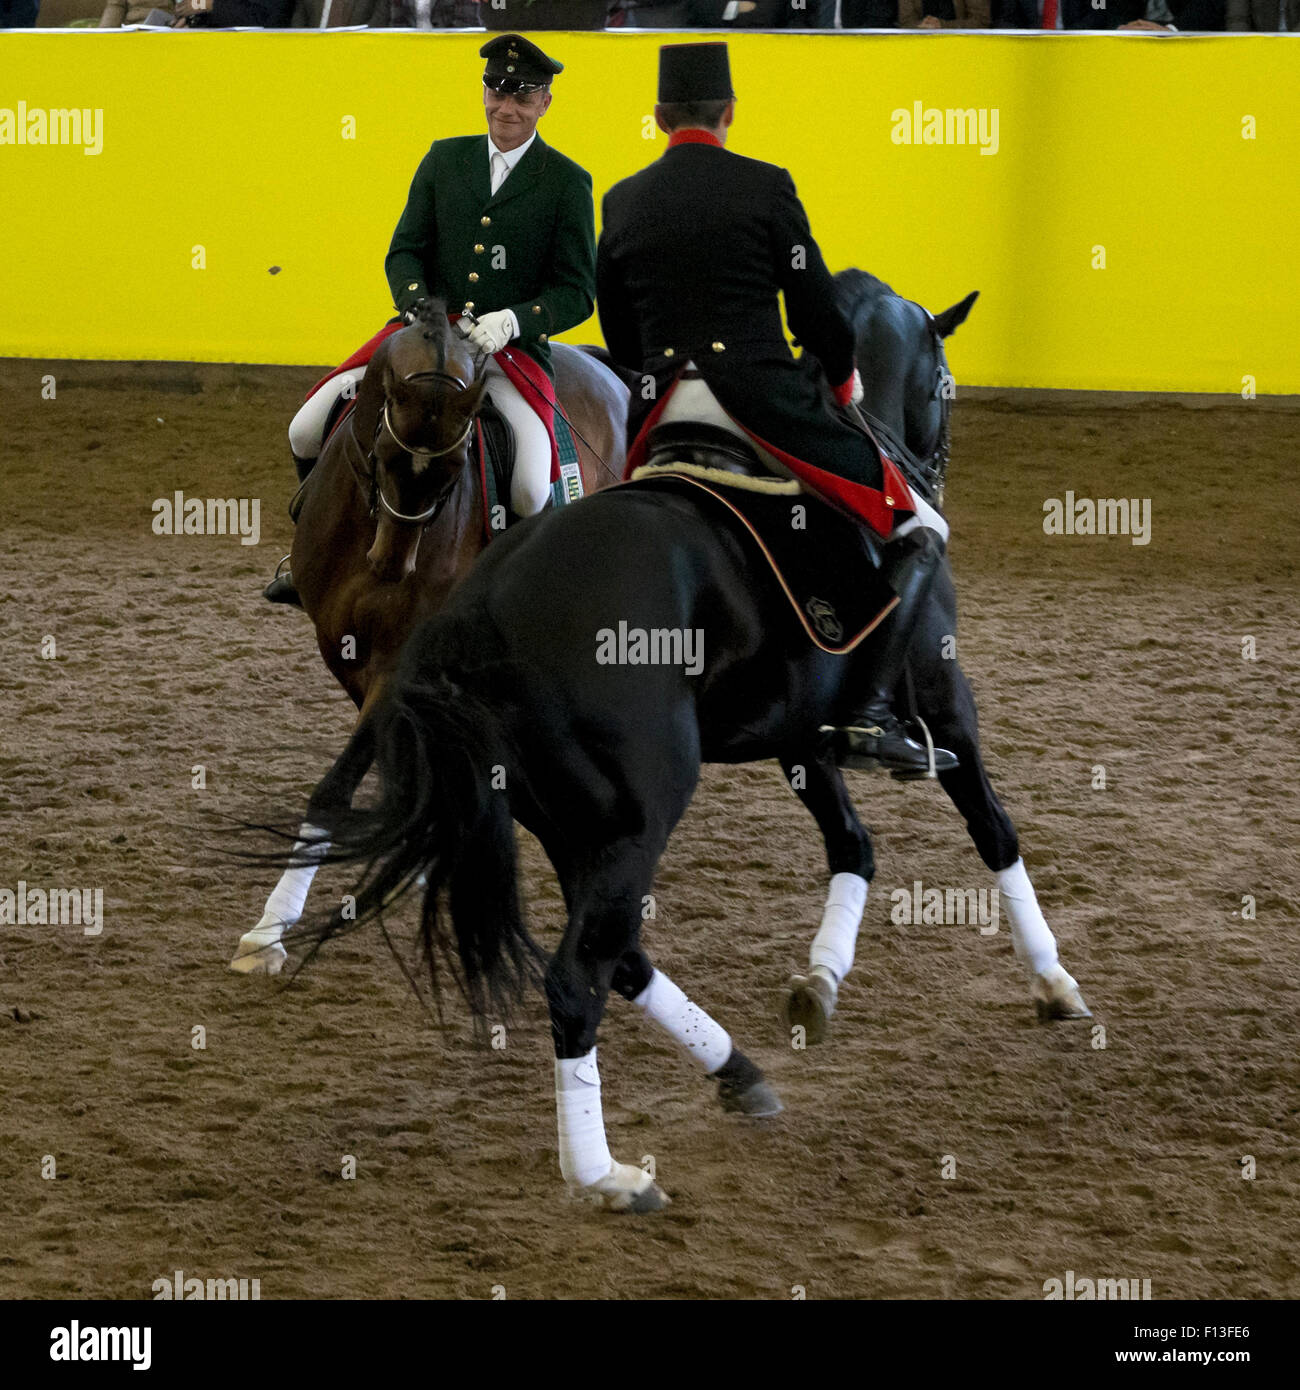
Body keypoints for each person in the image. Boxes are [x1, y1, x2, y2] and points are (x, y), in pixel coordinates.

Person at [596, 42, 955, 775]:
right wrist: (845, 380)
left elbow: (618, 327)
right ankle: (869, 712)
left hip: (662, 411)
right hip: (758, 402)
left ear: (660, 117)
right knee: (919, 527)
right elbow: (817, 310)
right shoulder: (766, 187)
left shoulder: (623, 199)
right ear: (728, 114)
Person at [266, 33, 596, 602]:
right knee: (306, 424)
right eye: (496, 90)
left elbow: (577, 291)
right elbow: (404, 251)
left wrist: (514, 321)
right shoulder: (445, 159)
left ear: (545, 102)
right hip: (425, 341)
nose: (505, 106)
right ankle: (309, 556)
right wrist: (422, 305)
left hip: (505, 354)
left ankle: (520, 588)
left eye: (521, 95)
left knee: (527, 481)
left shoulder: (566, 182)